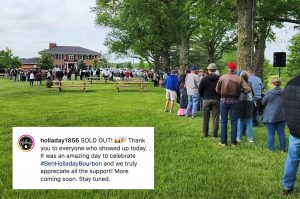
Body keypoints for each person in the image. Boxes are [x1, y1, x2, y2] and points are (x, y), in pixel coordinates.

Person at [216, 62, 251, 147]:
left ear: (228, 68)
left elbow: (217, 90)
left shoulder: (222, 77)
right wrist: (241, 91)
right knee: (234, 122)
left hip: (224, 100)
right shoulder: (239, 78)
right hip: (235, 101)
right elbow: (248, 90)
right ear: (235, 69)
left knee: (224, 121)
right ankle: (233, 142)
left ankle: (223, 142)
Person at [282, 75, 300, 195]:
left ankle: (286, 187)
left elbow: (286, 107)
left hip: (294, 129)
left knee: (292, 159)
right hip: (295, 128)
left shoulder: (290, 83)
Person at [262, 77, 286, 152]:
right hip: (282, 115)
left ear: (273, 84)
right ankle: (282, 149)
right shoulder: (285, 92)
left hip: (270, 116)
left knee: (271, 134)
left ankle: (271, 149)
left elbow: (263, 102)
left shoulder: (269, 93)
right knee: (281, 133)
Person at [198, 63, 220, 138]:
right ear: (215, 70)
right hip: (216, 99)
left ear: (208, 70)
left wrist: (203, 96)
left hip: (206, 99)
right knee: (215, 118)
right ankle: (214, 134)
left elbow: (200, 89)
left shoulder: (204, 78)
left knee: (205, 117)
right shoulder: (219, 78)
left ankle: (205, 133)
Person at [236, 71, 254, 143]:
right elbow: (253, 94)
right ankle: (250, 138)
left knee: (240, 120)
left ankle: (238, 137)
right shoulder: (250, 84)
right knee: (249, 121)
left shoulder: (238, 84)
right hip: (249, 104)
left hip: (240, 103)